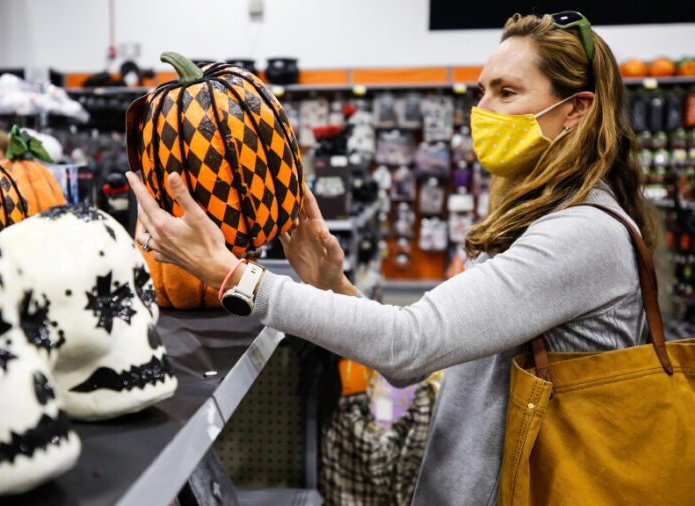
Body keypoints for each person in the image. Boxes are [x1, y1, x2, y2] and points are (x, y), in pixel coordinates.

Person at [126, 11, 656, 505]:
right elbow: (425, 357)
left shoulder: (581, 234)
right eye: (482, 92)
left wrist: (233, 276)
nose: (483, 111)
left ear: (576, 109)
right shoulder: (540, 220)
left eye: (507, 92)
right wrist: (333, 286)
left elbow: (411, 345)